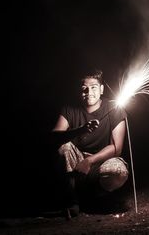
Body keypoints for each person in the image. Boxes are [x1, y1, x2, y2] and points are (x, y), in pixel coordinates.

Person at [51, 69, 129, 217]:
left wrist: (89, 161)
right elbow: (54, 137)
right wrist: (80, 130)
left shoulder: (114, 108)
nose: (89, 92)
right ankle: (72, 201)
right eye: (84, 88)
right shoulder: (69, 109)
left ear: (101, 89)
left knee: (119, 172)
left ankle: (95, 197)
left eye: (93, 87)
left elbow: (117, 148)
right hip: (76, 163)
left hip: (101, 161)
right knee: (64, 147)